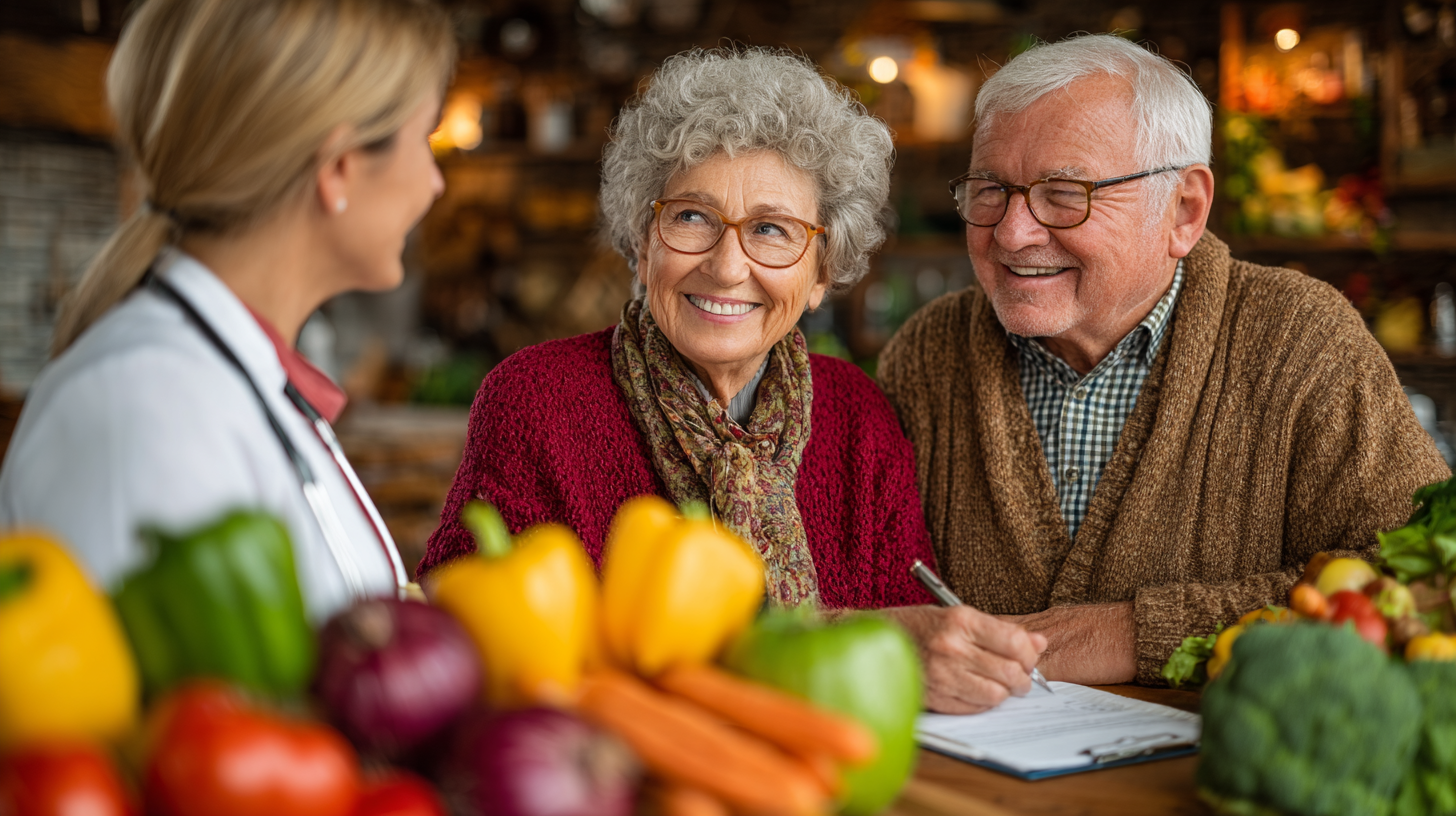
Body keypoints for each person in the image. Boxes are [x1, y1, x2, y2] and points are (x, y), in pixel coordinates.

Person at [878, 34, 1452, 712]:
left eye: (1065, 195)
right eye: (990, 190)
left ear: (1183, 210)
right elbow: (858, 591)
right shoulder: (927, 352)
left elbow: (1427, 583)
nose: (1011, 232)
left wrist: (1133, 632)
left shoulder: (1300, 338)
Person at [419, 47, 949, 617]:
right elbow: (460, 631)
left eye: (771, 229)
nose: (726, 268)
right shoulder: (535, 400)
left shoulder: (857, 416)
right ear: (643, 245)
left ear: (821, 272)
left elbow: (918, 628)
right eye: (691, 217)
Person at [0, 0, 455, 620]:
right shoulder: (147, 410)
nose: (436, 183)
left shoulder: (237, 377)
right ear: (340, 168)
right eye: (425, 139)